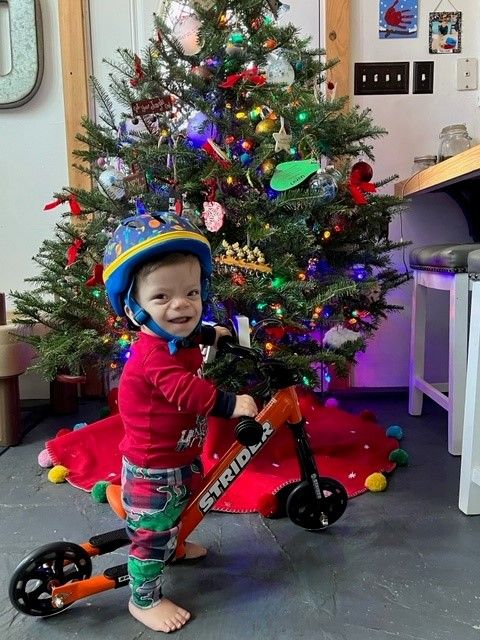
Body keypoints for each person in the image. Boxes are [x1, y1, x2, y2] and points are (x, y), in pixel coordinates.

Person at [103, 212, 258, 633]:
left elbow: (190, 333)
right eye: (162, 298)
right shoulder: (153, 356)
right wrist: (231, 404)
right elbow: (187, 392)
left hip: (181, 455)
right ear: (135, 309)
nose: (181, 305)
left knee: (182, 507)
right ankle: (143, 598)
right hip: (153, 468)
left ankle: (176, 543)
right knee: (152, 533)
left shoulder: (175, 336)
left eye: (191, 292)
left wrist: (213, 334)